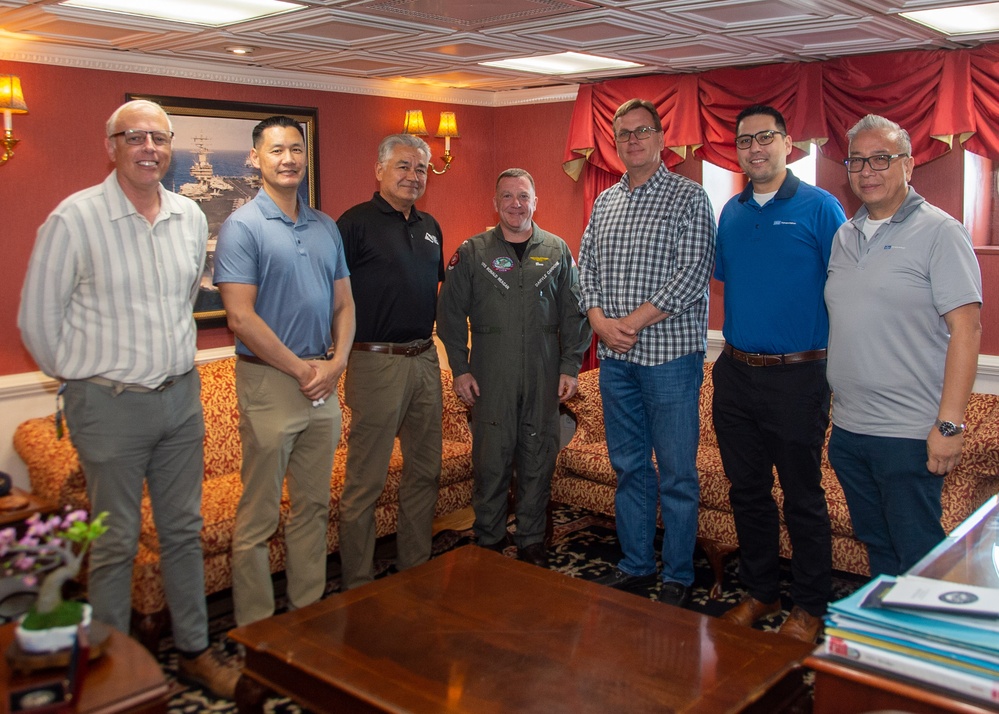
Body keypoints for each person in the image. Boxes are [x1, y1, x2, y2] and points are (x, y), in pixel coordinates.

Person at [18, 99, 240, 698]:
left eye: (159, 138)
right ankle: (112, 672)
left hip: (180, 399)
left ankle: (193, 651)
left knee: (182, 532)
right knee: (114, 541)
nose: (149, 148)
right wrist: (84, 376)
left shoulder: (190, 218)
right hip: (108, 406)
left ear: (170, 148)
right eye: (134, 137)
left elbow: (184, 301)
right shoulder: (75, 219)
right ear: (110, 145)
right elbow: (37, 319)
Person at [826, 114, 982, 578]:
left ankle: (929, 649)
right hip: (850, 432)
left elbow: (967, 331)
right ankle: (884, 645)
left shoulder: (941, 232)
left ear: (909, 166)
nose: (867, 171)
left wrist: (949, 426)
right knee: (878, 549)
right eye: (857, 161)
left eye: (881, 159)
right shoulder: (844, 235)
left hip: (910, 436)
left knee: (919, 558)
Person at [713, 105, 847, 642]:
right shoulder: (732, 212)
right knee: (746, 492)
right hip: (736, 374)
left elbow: (847, 290)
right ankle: (761, 590)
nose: (755, 148)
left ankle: (811, 605)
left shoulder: (822, 208)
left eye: (765, 137)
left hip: (800, 377)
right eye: (745, 141)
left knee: (802, 496)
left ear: (788, 143)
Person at [214, 115, 354, 626]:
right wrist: (302, 369)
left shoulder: (325, 225)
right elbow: (240, 318)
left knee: (315, 507)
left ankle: (307, 615)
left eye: (295, 149)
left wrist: (336, 363)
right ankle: (256, 628)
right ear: (256, 159)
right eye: (276, 151)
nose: (288, 159)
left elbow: (344, 303)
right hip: (271, 383)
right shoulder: (241, 227)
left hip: (323, 382)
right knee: (260, 516)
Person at [578, 98, 716, 607]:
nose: (632, 141)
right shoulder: (606, 202)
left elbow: (693, 274)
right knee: (630, 467)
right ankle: (636, 564)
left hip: (670, 361)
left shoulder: (689, 198)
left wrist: (627, 324)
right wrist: (598, 322)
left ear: (661, 139)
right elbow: (583, 266)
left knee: (677, 472)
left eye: (642, 132)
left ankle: (678, 573)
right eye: (623, 134)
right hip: (616, 363)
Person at [436, 169, 591, 567]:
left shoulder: (556, 251)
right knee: (491, 458)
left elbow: (576, 314)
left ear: (535, 202)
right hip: (490, 373)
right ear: (495, 203)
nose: (515, 204)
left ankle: (531, 539)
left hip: (543, 372)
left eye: (523, 196)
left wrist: (570, 366)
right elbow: (450, 316)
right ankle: (489, 536)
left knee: (538, 457)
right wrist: (460, 369)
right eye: (507, 196)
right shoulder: (473, 252)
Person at [337, 134, 445, 590]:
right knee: (366, 480)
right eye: (403, 166)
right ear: (379, 170)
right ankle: (358, 582)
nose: (413, 176)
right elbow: (333, 297)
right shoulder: (354, 224)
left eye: (420, 168)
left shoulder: (430, 225)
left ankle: (414, 568)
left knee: (425, 471)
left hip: (424, 360)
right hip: (374, 362)